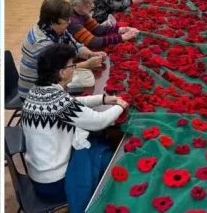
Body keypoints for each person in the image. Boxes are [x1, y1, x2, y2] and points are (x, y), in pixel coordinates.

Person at [21, 43, 129, 204]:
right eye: (72, 65)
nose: (74, 68)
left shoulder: (37, 92)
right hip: (56, 184)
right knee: (104, 153)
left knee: (95, 144)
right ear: (62, 73)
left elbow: (72, 103)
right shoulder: (56, 101)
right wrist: (120, 105)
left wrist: (103, 99)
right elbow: (99, 121)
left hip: (40, 176)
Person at [19, 0, 106, 98]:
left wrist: (91, 54)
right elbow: (60, 71)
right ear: (52, 21)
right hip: (35, 93)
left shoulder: (54, 29)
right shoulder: (42, 44)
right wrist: (87, 64)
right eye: (66, 20)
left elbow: (75, 45)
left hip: (51, 82)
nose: (69, 22)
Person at [68, 0, 139, 50]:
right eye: (90, 3)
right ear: (79, 3)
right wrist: (122, 37)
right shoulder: (72, 20)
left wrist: (120, 29)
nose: (93, 6)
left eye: (93, 2)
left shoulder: (81, 12)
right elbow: (93, 42)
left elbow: (97, 28)